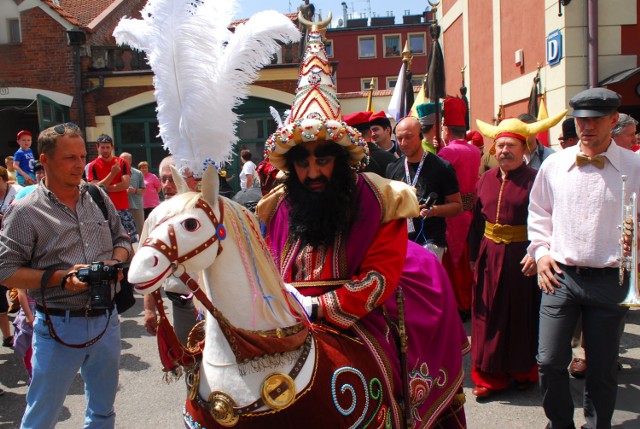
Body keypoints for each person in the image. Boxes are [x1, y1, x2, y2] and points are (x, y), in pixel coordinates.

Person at [258, 20, 468, 428]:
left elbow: (380, 276)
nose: (314, 171)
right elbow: (269, 264)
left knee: (382, 382)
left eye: (323, 159)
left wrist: (319, 307)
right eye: (303, 161)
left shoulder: (378, 198)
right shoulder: (280, 204)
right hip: (289, 317)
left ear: (339, 158)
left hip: (358, 314)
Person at [0, 122, 131, 428]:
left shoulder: (97, 196)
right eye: (69, 158)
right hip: (59, 324)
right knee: (42, 416)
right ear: (44, 161)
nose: (79, 165)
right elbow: (6, 271)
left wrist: (114, 262)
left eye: (82, 156)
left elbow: (122, 239)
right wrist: (60, 278)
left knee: (102, 411)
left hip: (106, 321)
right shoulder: (25, 211)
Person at [528, 88, 640, 429]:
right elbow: (539, 213)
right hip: (561, 276)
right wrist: (541, 252)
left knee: (603, 368)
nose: (586, 127)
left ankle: (596, 425)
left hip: (611, 280)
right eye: (580, 120)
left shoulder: (636, 166)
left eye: (594, 120)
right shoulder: (555, 163)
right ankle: (560, 423)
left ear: (612, 120)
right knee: (548, 362)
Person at [468, 112, 564, 398]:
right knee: (488, 316)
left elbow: (552, 219)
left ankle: (523, 371)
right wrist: (474, 256)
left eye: (511, 146)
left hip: (524, 258)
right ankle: (489, 376)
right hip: (489, 255)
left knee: (522, 315)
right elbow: (476, 221)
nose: (504, 151)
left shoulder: (537, 178)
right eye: (499, 146)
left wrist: (540, 253)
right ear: (493, 149)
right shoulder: (485, 178)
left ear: (525, 149)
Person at [385, 116, 462, 261]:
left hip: (430, 241)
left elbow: (457, 206)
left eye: (408, 137)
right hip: (401, 241)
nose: (403, 143)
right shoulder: (392, 168)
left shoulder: (442, 167)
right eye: (399, 138)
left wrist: (434, 211)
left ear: (420, 136)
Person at [141, 156, 198, 345]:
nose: (166, 185)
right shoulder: (156, 217)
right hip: (182, 300)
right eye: (163, 179)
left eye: (172, 179)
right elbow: (147, 265)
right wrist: (149, 308)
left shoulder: (213, 212)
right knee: (189, 357)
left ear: (193, 180)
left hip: (217, 303)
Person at [438, 97, 481, 318]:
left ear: (446, 129)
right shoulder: (474, 151)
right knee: (466, 262)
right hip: (470, 211)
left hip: (452, 213)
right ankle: (468, 302)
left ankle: (458, 304)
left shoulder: (447, 153)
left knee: (453, 265)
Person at [87, 134, 138, 244]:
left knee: (130, 239)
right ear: (97, 147)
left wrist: (104, 187)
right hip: (103, 210)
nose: (105, 150)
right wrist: (112, 173)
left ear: (112, 147)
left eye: (107, 147)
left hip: (122, 207)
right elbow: (95, 188)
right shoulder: (93, 165)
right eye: (102, 147)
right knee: (108, 242)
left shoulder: (122, 162)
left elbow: (125, 184)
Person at [0, 166, 23, 348]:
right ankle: (8, 336)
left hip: (15, 246)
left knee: (19, 287)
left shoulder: (17, 192)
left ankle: (26, 321)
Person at [344, 110, 396, 176]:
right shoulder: (390, 158)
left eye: (376, 129)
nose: (374, 134)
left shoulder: (345, 161)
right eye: (372, 130)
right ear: (370, 132)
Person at [119, 152, 146, 236]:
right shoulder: (116, 173)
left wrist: (134, 191)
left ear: (130, 161)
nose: (122, 162)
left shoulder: (138, 173)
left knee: (141, 228)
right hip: (122, 206)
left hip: (136, 205)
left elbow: (143, 190)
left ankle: (142, 246)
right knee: (122, 230)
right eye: (121, 160)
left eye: (124, 161)